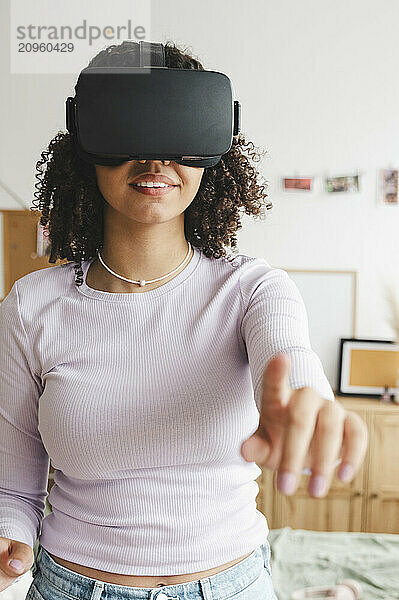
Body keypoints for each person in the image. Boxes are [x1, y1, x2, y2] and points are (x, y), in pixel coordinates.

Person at [0, 40, 367, 600]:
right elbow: (12, 484)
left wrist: (306, 407)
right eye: (129, 136)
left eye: (178, 137)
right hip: (71, 587)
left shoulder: (252, 291)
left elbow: (291, 364)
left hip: (231, 585)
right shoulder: (32, 307)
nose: (154, 163)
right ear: (86, 145)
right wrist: (11, 543)